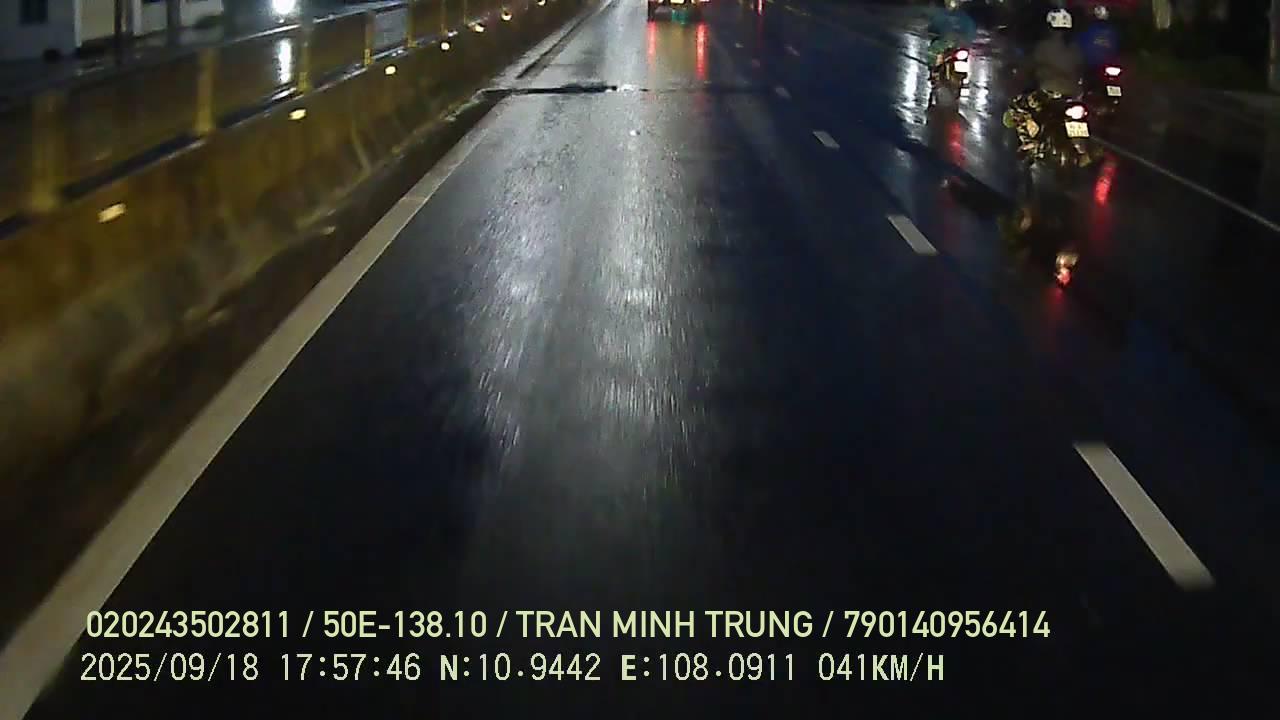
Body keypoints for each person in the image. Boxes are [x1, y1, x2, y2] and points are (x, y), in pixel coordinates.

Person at [1076, 4, 1121, 70]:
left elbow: (1114, 47)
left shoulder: (1112, 31)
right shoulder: (1089, 30)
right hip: (1088, 65)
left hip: (1105, 65)